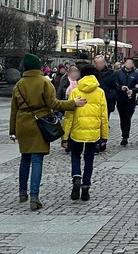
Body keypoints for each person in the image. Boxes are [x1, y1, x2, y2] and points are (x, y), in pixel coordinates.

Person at [10, 54, 84, 210]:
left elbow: (14, 109)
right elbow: (54, 103)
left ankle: (23, 192)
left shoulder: (19, 84)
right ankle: (34, 197)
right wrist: (73, 103)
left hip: (23, 124)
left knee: (25, 159)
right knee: (37, 160)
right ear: (38, 66)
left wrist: (12, 130)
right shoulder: (45, 82)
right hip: (39, 123)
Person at [63, 65, 109, 201]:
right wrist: (104, 135)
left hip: (77, 130)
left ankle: (76, 177)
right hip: (93, 132)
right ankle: (86, 188)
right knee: (89, 159)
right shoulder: (100, 92)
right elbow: (103, 116)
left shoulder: (75, 91)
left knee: (75, 155)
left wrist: (65, 137)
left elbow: (68, 115)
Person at [114, 58, 138, 146]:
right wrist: (121, 87)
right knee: (122, 118)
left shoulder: (136, 73)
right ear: (124, 64)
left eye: (130, 63)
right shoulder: (118, 73)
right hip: (120, 98)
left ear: (133, 65)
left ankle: (125, 136)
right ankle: (123, 133)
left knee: (127, 117)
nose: (128, 65)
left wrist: (133, 90)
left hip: (130, 99)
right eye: (127, 63)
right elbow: (115, 84)